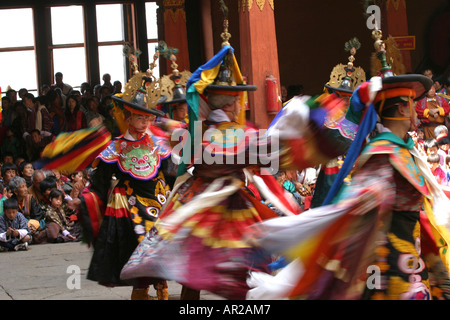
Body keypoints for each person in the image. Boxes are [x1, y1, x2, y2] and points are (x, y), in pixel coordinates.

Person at [118, 28, 354, 300]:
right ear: (232, 103)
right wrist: (304, 139)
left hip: (193, 198)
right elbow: (263, 153)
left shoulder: (198, 131)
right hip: (223, 205)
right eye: (236, 100)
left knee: (192, 270)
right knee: (241, 269)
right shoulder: (234, 134)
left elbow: (194, 146)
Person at [245, 30, 450, 300]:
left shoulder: (403, 150)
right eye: (412, 104)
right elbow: (352, 208)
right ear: (401, 110)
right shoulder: (384, 154)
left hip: (410, 260)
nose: (417, 111)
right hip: (388, 268)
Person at [67, 56, 175, 300]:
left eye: (148, 118)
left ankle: (161, 291)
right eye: (140, 117)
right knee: (142, 259)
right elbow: (100, 181)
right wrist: (82, 199)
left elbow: (170, 173)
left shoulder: (159, 144)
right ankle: (141, 292)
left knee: (162, 259)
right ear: (127, 117)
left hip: (160, 205)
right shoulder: (116, 148)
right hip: (131, 210)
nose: (145, 122)